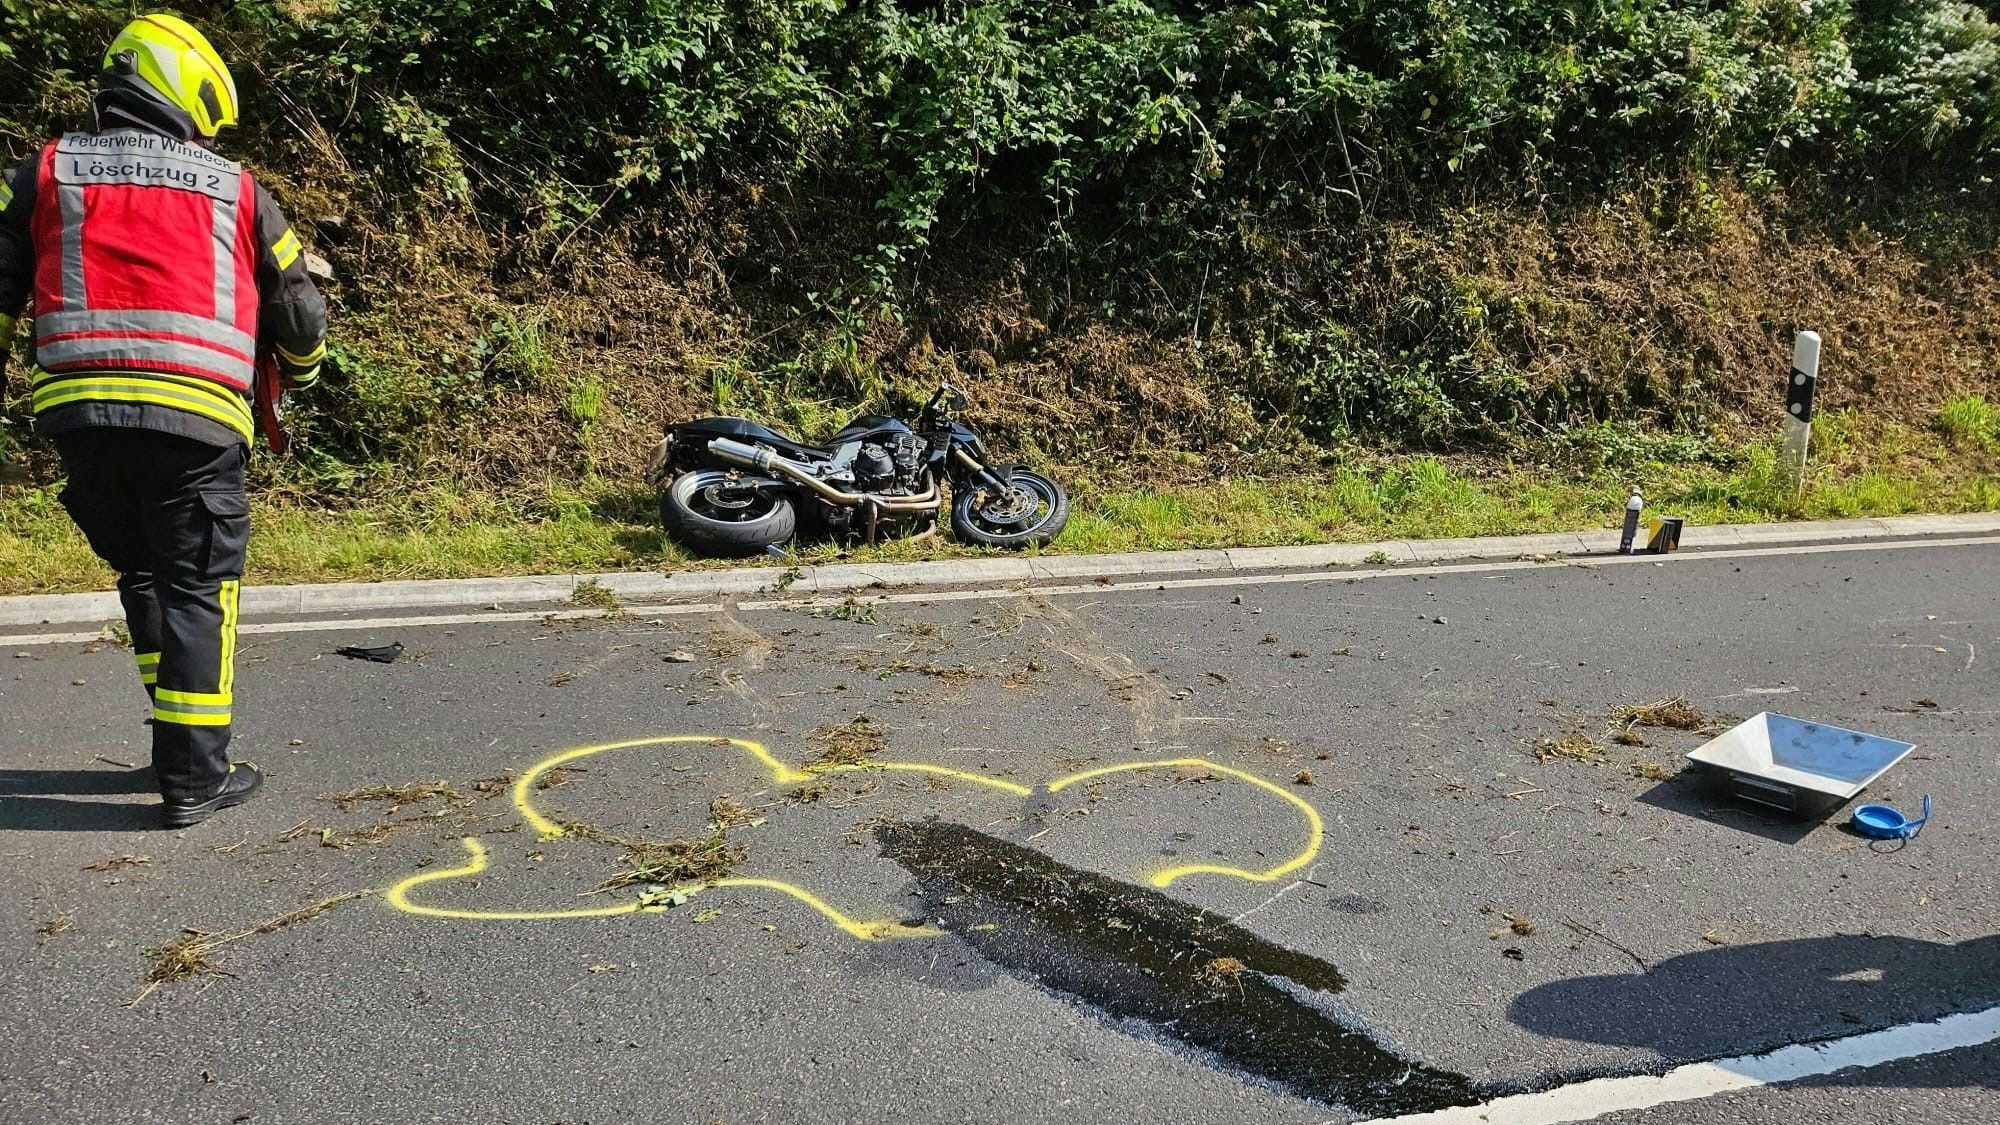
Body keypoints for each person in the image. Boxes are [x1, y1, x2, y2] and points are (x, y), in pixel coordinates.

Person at [0, 14, 328, 827]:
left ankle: (173, 744)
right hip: (193, 426)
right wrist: (303, 373)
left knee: (143, 572)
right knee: (195, 587)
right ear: (184, 90)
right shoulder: (233, 188)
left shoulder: (42, 173)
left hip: (81, 423)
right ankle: (194, 779)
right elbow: (298, 311)